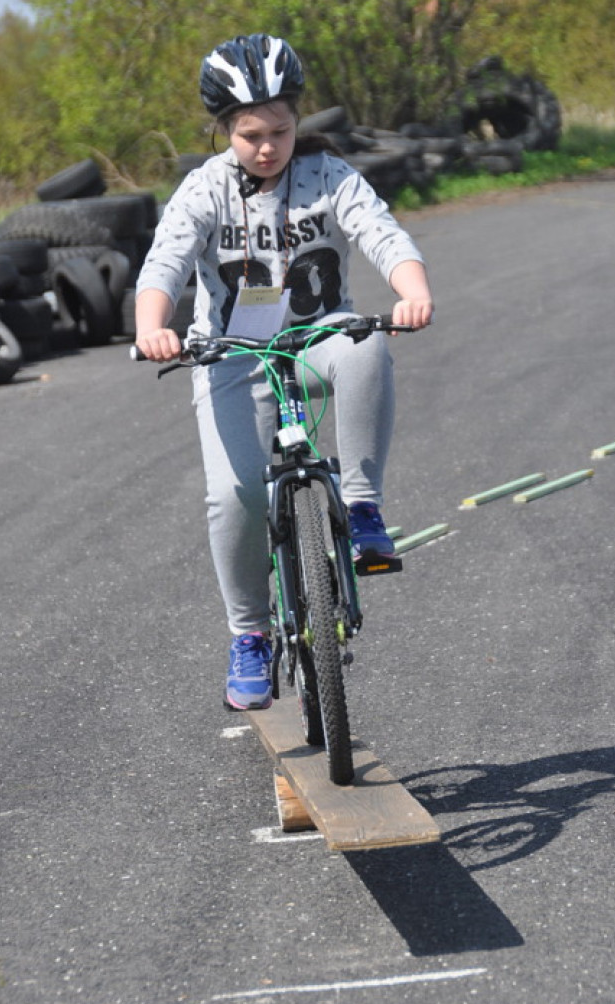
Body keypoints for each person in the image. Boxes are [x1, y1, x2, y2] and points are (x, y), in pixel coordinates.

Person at [135, 33, 434, 712]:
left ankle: (361, 510)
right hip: (231, 355)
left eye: (281, 130)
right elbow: (165, 265)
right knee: (234, 494)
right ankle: (250, 636)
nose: (267, 147)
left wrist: (412, 289)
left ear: (299, 122)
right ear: (222, 132)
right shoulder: (204, 189)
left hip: (317, 338)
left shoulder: (330, 177)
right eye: (249, 136)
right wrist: (152, 327)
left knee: (366, 345)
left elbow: (384, 236)